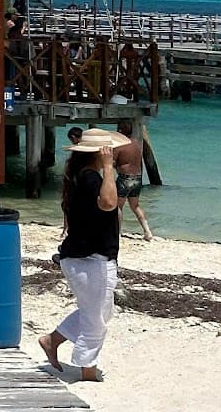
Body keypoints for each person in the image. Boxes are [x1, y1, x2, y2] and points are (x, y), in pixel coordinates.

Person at [38, 126, 128, 383]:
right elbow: (110, 203)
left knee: (101, 311)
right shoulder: (90, 178)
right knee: (95, 317)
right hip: (90, 259)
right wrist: (109, 168)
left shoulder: (80, 176)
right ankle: (87, 369)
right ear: (101, 152)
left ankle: (52, 340)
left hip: (85, 257)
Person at [113, 118, 153, 240]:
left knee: (117, 206)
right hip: (137, 178)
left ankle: (117, 233)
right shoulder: (136, 144)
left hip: (125, 178)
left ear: (119, 131)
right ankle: (147, 231)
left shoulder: (120, 146)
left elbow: (112, 162)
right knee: (135, 206)